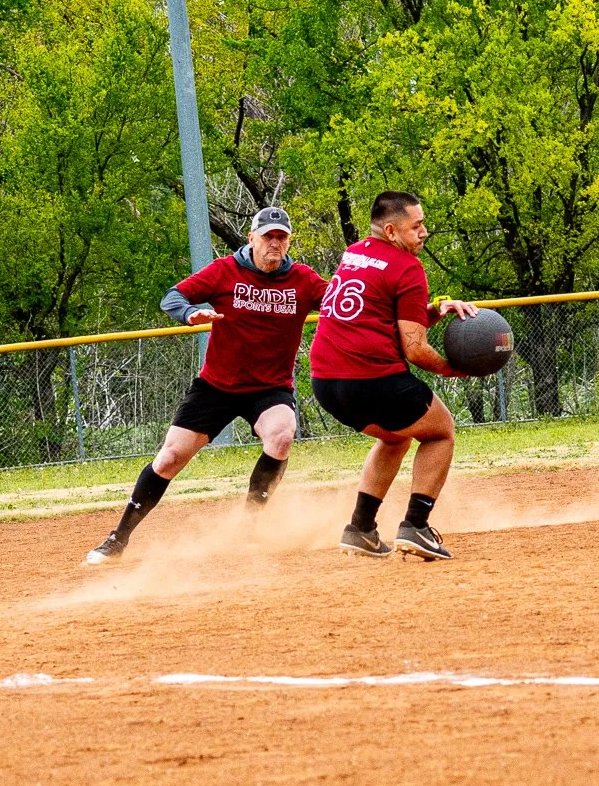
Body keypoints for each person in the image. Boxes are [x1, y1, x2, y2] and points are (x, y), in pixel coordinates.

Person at [86, 207, 330, 564]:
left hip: (269, 388)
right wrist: (189, 314)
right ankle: (117, 538)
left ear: (288, 241)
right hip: (217, 386)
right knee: (170, 458)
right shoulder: (224, 271)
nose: (274, 243)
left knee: (282, 434)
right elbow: (172, 297)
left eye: (281, 237)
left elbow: (345, 305)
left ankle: (250, 526)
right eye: (268, 236)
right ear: (252, 238)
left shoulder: (303, 280)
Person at [308, 191, 479, 561]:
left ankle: (361, 528)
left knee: (395, 438)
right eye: (416, 226)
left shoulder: (355, 253)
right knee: (440, 431)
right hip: (371, 378)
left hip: (325, 381)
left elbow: (382, 318)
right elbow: (415, 350)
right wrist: (454, 369)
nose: (424, 232)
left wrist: (433, 310)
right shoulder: (408, 268)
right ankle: (416, 526)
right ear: (391, 230)